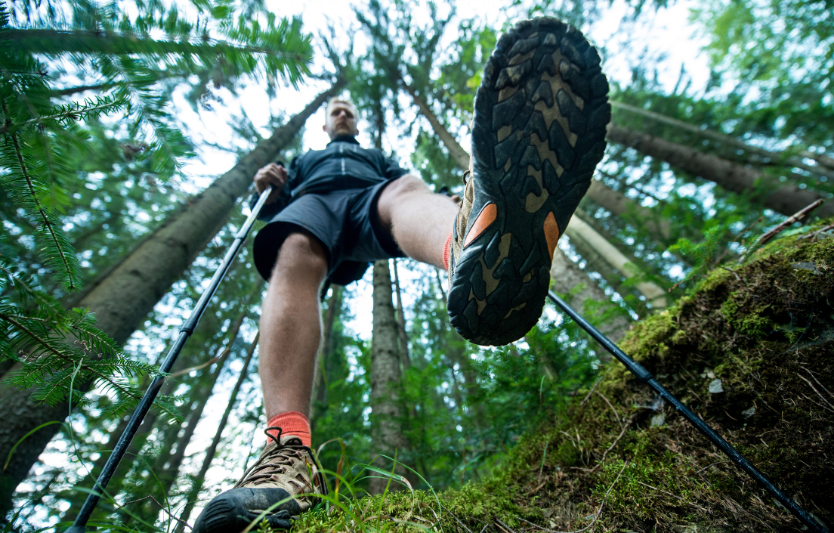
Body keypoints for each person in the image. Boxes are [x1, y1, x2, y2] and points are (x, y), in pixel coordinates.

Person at [193, 16, 609, 532]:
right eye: (335, 110)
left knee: (407, 190)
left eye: (348, 110)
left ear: (355, 122)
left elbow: (410, 190)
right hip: (312, 203)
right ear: (325, 124)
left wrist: (445, 199)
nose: (342, 113)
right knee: (294, 248)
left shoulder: (375, 156)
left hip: (373, 197)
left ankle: (474, 241)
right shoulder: (304, 159)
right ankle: (288, 454)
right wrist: (269, 182)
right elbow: (273, 200)